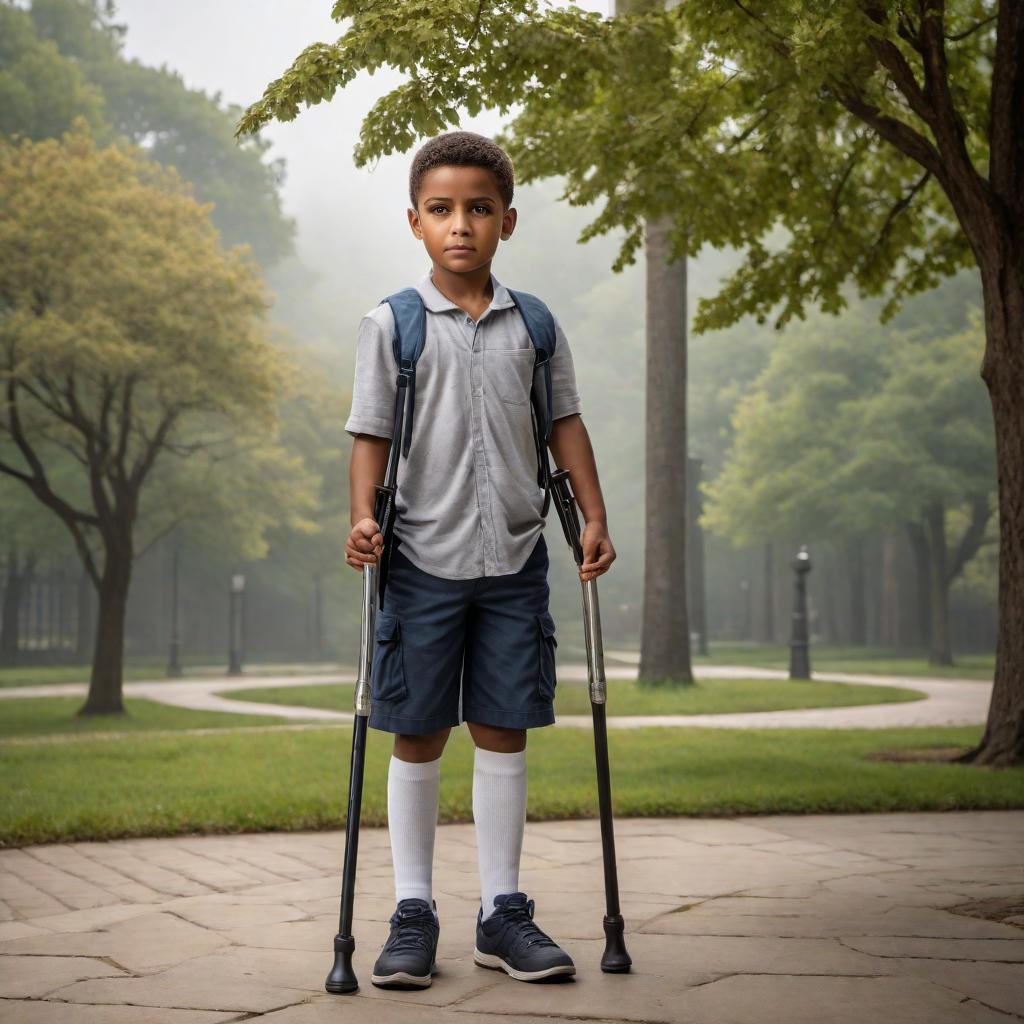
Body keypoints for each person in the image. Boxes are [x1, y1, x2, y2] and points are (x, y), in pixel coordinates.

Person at [343, 130, 615, 989]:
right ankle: (413, 911)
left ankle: (502, 913)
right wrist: (361, 517)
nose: (461, 224)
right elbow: (370, 434)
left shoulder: (533, 325)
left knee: (503, 726)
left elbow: (564, 423)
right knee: (417, 730)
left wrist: (593, 515)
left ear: (507, 221)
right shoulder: (393, 325)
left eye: (479, 209)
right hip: (421, 559)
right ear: (416, 223)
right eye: (442, 209)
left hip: (516, 561)